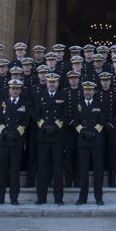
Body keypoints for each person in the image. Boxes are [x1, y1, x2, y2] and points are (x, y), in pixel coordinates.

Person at [33, 71, 68, 205]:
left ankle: (58, 198)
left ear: (58, 83)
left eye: (54, 82)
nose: (52, 84)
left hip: (57, 136)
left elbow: (65, 113)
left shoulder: (62, 95)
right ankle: (41, 198)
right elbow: (35, 113)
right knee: (42, 168)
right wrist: (44, 125)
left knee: (58, 168)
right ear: (46, 83)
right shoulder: (40, 95)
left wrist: (56, 126)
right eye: (49, 82)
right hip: (43, 136)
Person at [0, 79, 28, 205]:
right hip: (4, 141)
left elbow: (25, 122)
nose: (14, 91)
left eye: (17, 88)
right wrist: (5, 132)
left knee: (14, 171)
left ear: (20, 90)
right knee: (2, 170)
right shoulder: (3, 103)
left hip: (17, 141)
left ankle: (14, 198)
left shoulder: (24, 104)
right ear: (9, 90)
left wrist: (17, 132)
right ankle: (0, 198)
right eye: (12, 88)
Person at [74, 80, 107, 205]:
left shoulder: (100, 104)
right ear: (83, 91)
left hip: (96, 141)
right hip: (83, 142)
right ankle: (82, 198)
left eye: (90, 90)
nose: (87, 92)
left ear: (94, 91)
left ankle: (98, 198)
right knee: (83, 171)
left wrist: (94, 131)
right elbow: (76, 121)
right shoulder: (79, 104)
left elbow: (102, 120)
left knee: (98, 170)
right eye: (86, 90)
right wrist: (83, 132)